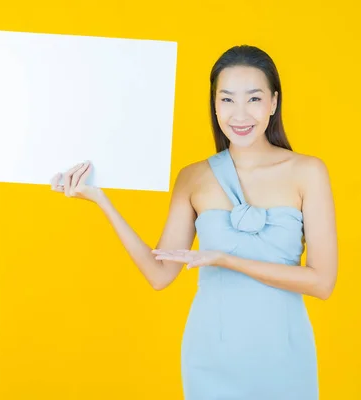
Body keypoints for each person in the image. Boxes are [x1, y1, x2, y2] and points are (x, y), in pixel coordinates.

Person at [50, 45, 338, 400]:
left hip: (283, 352)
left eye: (254, 98)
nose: (240, 113)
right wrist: (101, 200)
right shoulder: (193, 178)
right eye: (227, 100)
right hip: (211, 353)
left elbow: (322, 282)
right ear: (214, 103)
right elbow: (160, 275)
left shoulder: (308, 172)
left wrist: (225, 259)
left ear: (274, 103)